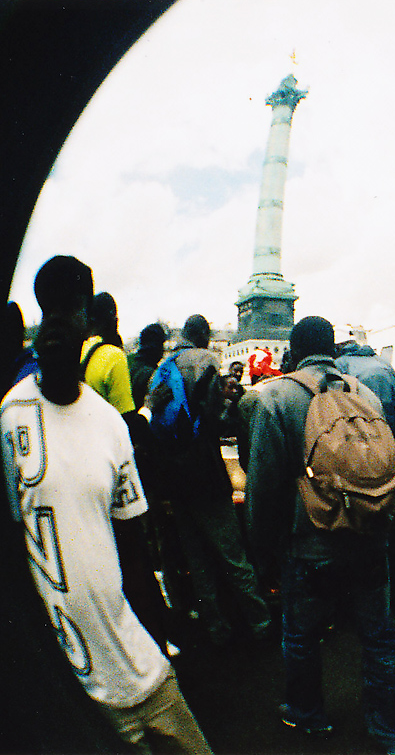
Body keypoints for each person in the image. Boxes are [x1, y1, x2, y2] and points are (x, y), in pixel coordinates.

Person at [1, 257, 211, 753]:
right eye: (46, 310)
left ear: (87, 324)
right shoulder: (10, 419)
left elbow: (134, 549)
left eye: (69, 309)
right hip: (72, 690)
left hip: (144, 674)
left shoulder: (110, 425)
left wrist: (158, 641)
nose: (55, 323)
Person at [244, 317, 395, 754]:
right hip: (370, 533)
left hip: (310, 543)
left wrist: (264, 553)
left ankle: (308, 714)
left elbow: (263, 487)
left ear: (294, 351)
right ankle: (389, 731)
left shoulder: (276, 398)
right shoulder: (365, 394)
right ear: (332, 350)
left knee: (302, 636)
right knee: (378, 638)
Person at [144, 314, 271, 647]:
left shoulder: (164, 367)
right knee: (233, 555)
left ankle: (216, 629)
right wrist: (233, 405)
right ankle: (260, 624)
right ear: (203, 335)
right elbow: (217, 420)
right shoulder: (205, 362)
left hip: (175, 480)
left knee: (198, 560)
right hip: (206, 474)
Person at [335, 336, 395, 616]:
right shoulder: (371, 366)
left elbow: (377, 431)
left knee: (390, 542)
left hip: (391, 472)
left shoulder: (366, 372)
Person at [81, 291, 135, 414]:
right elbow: (126, 417)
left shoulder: (77, 349)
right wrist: (149, 407)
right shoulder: (113, 355)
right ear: (115, 321)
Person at [128, 323, 168, 408]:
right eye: (161, 345)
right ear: (156, 346)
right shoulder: (150, 374)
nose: (163, 350)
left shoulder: (133, 367)